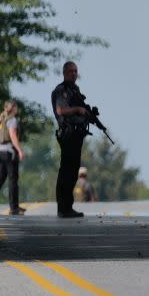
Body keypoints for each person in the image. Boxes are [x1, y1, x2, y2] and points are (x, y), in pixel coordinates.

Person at [51, 61, 90, 218]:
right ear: (64, 72)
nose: (74, 74)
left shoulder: (75, 90)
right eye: (71, 71)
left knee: (73, 172)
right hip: (68, 134)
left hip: (76, 134)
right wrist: (77, 109)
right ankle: (63, 207)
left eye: (75, 71)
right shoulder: (61, 90)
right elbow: (60, 110)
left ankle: (68, 206)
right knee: (66, 171)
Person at [0, 100, 26, 216]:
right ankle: (14, 208)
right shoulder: (12, 120)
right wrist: (20, 150)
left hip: (0, 151)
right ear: (13, 108)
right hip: (9, 152)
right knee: (13, 180)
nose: (17, 109)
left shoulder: (0, 119)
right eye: (16, 107)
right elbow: (12, 135)